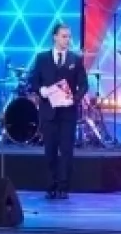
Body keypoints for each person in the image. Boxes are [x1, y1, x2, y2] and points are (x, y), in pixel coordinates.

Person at [26, 24, 89, 200]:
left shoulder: (75, 59)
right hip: (49, 112)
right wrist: (42, 91)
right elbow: (33, 81)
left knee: (67, 151)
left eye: (69, 36)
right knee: (50, 151)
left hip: (68, 113)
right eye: (64, 36)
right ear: (55, 37)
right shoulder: (42, 58)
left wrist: (75, 98)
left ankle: (63, 187)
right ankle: (51, 186)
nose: (67, 40)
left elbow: (84, 84)